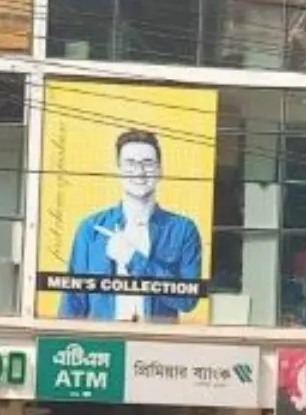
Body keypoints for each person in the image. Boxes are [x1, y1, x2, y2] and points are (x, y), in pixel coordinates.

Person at [56, 128, 203, 322]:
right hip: (103, 346)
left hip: (157, 346)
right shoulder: (90, 229)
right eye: (130, 164)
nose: (139, 172)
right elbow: (72, 303)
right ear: (118, 170)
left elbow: (188, 300)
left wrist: (133, 259)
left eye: (148, 164)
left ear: (160, 170)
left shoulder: (183, 230)